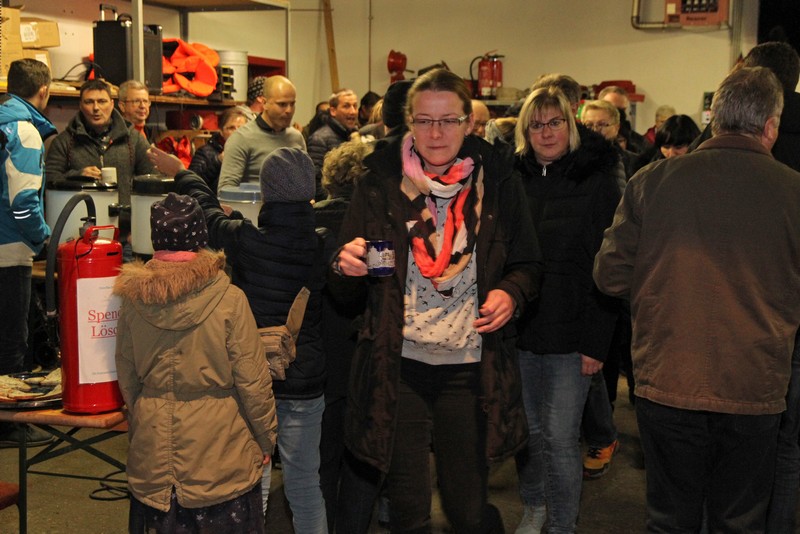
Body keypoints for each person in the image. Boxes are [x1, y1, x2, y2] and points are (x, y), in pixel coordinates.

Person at [330, 68, 542, 533]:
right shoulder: (378, 182)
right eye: (424, 121)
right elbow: (344, 289)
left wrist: (511, 292)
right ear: (410, 122)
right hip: (398, 365)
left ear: (469, 123)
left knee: (467, 509)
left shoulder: (499, 181)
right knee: (408, 512)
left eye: (448, 120)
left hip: (469, 366)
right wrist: (344, 265)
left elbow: (528, 264)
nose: (436, 133)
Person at [594, 66, 800, 533]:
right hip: (755, 383)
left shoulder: (651, 181)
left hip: (669, 375)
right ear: (770, 127)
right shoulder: (793, 192)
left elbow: (609, 275)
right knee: (739, 519)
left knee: (670, 518)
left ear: (715, 119)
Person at [149, 145, 329, 533]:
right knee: (305, 486)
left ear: (266, 193)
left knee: (252, 484)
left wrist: (182, 170)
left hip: (253, 381)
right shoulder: (321, 244)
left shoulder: (245, 240)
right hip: (305, 381)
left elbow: (205, 210)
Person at [115, 192, 277, 532]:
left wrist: (145, 418)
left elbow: (127, 376)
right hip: (221, 457)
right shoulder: (229, 299)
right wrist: (266, 439)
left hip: (155, 458)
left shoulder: (132, 299)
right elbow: (253, 381)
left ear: (155, 238)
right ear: (201, 238)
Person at [513, 85, 622, 534]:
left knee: (559, 438)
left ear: (570, 125)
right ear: (525, 131)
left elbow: (609, 269)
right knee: (528, 433)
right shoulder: (512, 179)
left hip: (573, 336)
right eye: (536, 124)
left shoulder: (597, 182)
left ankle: (562, 525)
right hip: (520, 331)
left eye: (555, 122)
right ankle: (534, 506)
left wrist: (597, 342)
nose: (546, 132)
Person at [315, 139, 374, 534]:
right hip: (364, 354)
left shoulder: (309, 224)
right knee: (363, 457)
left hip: (320, 358)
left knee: (323, 457)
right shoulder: (377, 229)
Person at [0, 58, 57, 448]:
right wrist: (43, 239)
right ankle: (10, 426)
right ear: (44, 91)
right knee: (11, 339)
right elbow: (22, 202)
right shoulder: (24, 130)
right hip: (9, 248)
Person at [45, 79, 155, 208]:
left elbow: (152, 178)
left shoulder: (133, 139)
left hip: (125, 218)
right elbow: (49, 179)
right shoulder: (64, 142)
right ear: (80, 105)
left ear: (112, 104)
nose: (96, 108)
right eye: (89, 102)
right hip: (81, 217)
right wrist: (78, 176)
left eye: (102, 101)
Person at [217, 75, 305, 191]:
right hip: (254, 202)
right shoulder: (241, 138)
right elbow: (226, 190)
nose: (289, 110)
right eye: (282, 104)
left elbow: (304, 181)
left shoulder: (296, 138)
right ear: (264, 103)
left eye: (292, 104)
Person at [308, 89, 359, 200]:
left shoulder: (354, 136)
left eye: (355, 106)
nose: (353, 111)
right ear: (333, 111)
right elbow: (315, 181)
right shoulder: (319, 139)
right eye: (346, 106)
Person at [188, 107, 249, 193]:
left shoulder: (252, 152)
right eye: (231, 128)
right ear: (221, 131)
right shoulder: (205, 152)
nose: (237, 132)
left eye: (242, 128)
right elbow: (190, 183)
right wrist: (218, 161)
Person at [581, 99, 638, 179]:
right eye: (589, 125)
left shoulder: (634, 163)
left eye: (602, 124)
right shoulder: (572, 161)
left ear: (616, 128)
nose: (595, 130)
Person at [598, 85, 650, 154]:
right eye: (612, 108)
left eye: (622, 110)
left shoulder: (639, 142)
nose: (618, 114)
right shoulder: (587, 138)